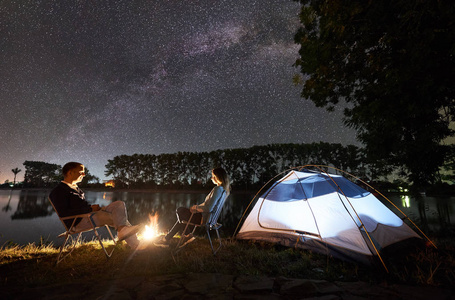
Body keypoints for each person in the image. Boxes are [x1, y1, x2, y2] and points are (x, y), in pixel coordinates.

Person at [49, 162, 141, 249]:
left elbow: (81, 206)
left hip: (88, 215)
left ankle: (125, 233)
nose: (84, 175)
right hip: (77, 222)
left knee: (119, 205)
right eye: (81, 172)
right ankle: (135, 244)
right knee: (118, 217)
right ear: (70, 173)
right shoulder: (59, 191)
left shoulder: (75, 188)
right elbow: (63, 213)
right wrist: (89, 209)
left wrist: (94, 208)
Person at [154, 167, 231, 248]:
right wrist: (196, 207)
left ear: (217, 177)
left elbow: (209, 208)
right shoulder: (224, 190)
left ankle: (185, 236)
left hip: (204, 219)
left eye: (213, 176)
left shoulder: (217, 189)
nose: (211, 178)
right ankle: (169, 239)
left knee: (179, 210)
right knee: (181, 219)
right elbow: (207, 205)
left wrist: (197, 209)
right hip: (210, 219)